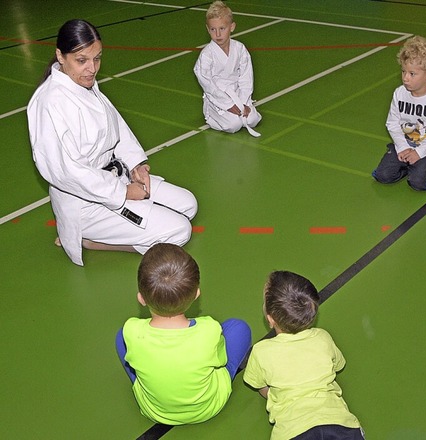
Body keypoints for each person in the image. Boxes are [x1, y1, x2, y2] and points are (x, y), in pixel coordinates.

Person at [27, 19, 198, 266]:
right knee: (180, 230)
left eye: (97, 58)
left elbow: (116, 128)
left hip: (116, 178)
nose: (92, 68)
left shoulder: (85, 85)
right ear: (60, 56)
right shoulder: (49, 103)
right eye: (82, 60)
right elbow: (67, 172)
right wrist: (124, 192)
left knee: (188, 205)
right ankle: (88, 240)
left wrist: (136, 165)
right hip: (86, 202)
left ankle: (114, 227)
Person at [115, 243, 252, 425]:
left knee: (120, 338)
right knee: (239, 328)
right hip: (208, 407)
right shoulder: (209, 329)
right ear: (196, 294)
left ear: (141, 298)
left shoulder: (132, 330)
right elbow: (221, 360)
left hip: (154, 411)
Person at [244, 271, 364, 440]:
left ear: (270, 320)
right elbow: (338, 365)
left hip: (292, 433)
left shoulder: (261, 351)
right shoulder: (323, 338)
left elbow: (260, 387)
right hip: (341, 426)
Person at [372, 36, 426, 191]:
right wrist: (402, 147)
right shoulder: (399, 93)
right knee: (383, 176)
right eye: (403, 72)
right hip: (404, 144)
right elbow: (392, 123)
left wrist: (419, 152)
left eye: (412, 74)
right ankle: (406, 166)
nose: (405, 78)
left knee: (419, 184)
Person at [194, 1, 261, 136]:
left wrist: (243, 102)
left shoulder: (240, 49)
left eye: (222, 28)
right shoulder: (207, 55)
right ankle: (211, 116)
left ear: (232, 27)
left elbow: (246, 78)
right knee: (234, 125)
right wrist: (227, 105)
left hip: (237, 92)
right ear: (208, 29)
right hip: (217, 97)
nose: (218, 34)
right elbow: (208, 85)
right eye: (213, 29)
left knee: (252, 120)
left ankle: (243, 108)